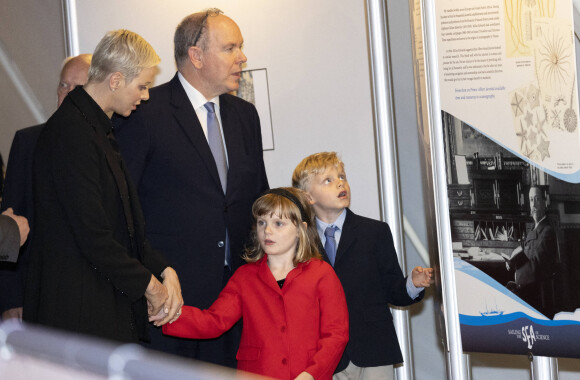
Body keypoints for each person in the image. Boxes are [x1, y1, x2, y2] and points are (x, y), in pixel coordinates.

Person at [115, 8, 268, 365]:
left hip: (237, 301)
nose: (242, 57)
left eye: (240, 47)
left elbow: (256, 197)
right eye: (230, 48)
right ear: (196, 55)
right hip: (170, 303)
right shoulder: (145, 113)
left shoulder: (245, 117)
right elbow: (123, 206)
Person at [23, 30, 183, 343]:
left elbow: (124, 224)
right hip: (79, 318)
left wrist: (164, 268)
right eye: (142, 86)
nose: (146, 95)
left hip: (99, 310)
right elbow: (93, 234)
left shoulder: (96, 127)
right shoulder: (71, 133)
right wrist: (150, 285)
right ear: (115, 80)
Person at [163, 188, 348, 380]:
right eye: (262, 223)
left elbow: (336, 335)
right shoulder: (245, 276)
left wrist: (311, 374)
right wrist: (167, 312)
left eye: (278, 223)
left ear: (300, 230)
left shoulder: (322, 273)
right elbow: (214, 321)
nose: (267, 231)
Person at [292, 152, 433, 380]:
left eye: (342, 176)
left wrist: (412, 284)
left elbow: (393, 290)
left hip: (374, 349)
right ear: (308, 196)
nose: (340, 182)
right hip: (323, 355)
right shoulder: (299, 242)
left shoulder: (375, 232)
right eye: (328, 180)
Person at [0, 54, 92, 321]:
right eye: (64, 85)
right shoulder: (28, 142)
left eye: (79, 88)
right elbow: (9, 224)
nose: (68, 93)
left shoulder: (115, 146)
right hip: (40, 296)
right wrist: (11, 298)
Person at [506, 186, 558, 317]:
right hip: (529, 287)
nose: (533, 204)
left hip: (538, 293)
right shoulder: (532, 230)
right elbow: (524, 251)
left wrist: (517, 276)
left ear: (543, 202)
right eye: (531, 200)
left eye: (537, 199)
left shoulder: (547, 231)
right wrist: (512, 261)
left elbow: (537, 264)